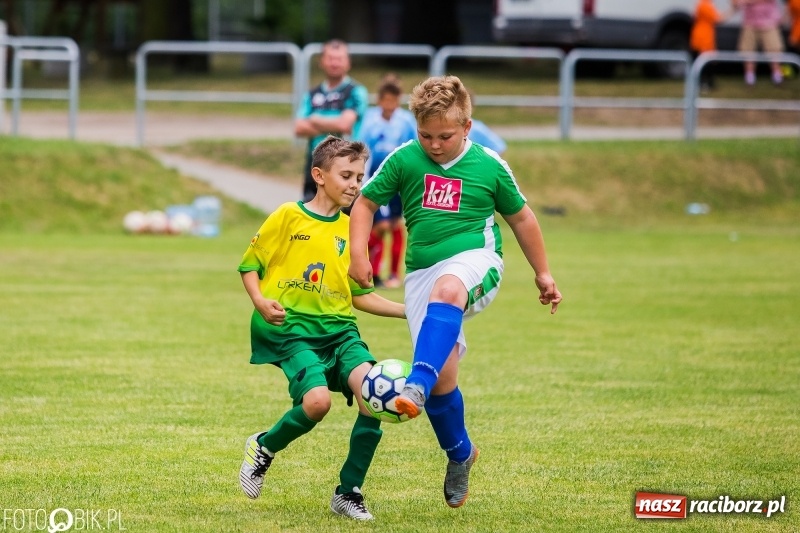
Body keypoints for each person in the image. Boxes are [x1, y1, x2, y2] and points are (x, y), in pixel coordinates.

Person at [348, 75, 562, 508]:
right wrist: (358, 254)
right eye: (425, 135)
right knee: (444, 380)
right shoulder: (404, 159)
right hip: (420, 276)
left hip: (477, 262)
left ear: (467, 126)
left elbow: (522, 218)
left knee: (447, 292)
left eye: (444, 136)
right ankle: (460, 453)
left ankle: (415, 383)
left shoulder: (489, 165)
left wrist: (543, 273)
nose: (434, 145)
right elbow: (366, 203)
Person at [237, 136, 406, 521]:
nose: (355, 184)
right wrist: (260, 301)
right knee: (316, 404)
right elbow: (249, 265)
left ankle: (349, 492)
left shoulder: (354, 230)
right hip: (293, 330)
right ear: (319, 175)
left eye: (360, 177)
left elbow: (361, 295)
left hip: (341, 332)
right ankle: (264, 446)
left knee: (373, 398)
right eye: (346, 175)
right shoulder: (288, 215)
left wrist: (408, 311)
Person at [357, 74, 417, 288]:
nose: (390, 104)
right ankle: (363, 265)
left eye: (394, 100)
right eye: (386, 100)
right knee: (381, 225)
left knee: (395, 225)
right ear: (380, 100)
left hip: (399, 181)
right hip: (378, 179)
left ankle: (392, 274)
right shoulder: (370, 120)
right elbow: (362, 149)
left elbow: (413, 148)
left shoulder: (406, 121)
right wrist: (362, 178)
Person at [294, 40, 369, 202]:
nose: (335, 63)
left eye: (339, 58)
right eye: (330, 58)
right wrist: (334, 122)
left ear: (348, 62)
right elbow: (299, 128)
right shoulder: (312, 94)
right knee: (310, 212)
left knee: (345, 215)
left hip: (347, 165)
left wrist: (314, 119)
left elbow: (345, 125)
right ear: (321, 61)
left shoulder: (355, 92)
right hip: (316, 164)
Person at [734, 0, 785, 85]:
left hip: (769, 23)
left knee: (774, 51)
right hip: (749, 23)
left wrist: (745, 1)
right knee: (747, 52)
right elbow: (735, 3)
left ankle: (777, 78)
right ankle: (750, 79)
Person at [690, 0, 727, 90]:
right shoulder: (705, 5)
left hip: (702, 37)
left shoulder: (703, 4)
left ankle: (706, 83)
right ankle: (705, 83)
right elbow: (718, 19)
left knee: (706, 62)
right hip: (704, 38)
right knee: (706, 63)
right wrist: (733, 9)